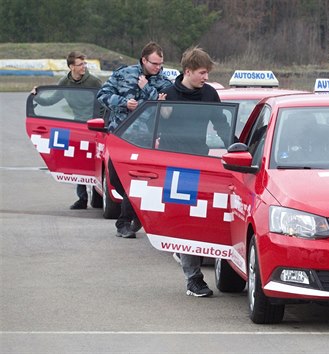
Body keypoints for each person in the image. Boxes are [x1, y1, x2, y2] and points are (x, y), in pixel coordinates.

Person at [160, 46, 226, 297]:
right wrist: (160, 110)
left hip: (201, 162)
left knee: (201, 220)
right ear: (188, 71)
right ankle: (194, 279)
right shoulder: (167, 95)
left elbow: (222, 126)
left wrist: (238, 148)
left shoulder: (210, 95)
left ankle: (190, 260)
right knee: (187, 222)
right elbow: (152, 125)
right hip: (175, 166)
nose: (206, 77)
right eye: (202, 72)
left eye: (207, 73)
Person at [97, 41, 172, 238]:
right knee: (116, 179)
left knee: (136, 181)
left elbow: (164, 109)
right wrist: (123, 103)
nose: (158, 67)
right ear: (144, 59)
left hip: (146, 139)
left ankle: (124, 223)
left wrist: (147, 89)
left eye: (160, 63)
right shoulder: (124, 74)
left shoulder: (163, 82)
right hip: (120, 136)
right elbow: (102, 95)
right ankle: (137, 210)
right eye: (154, 63)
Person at [31, 51, 102, 210]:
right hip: (77, 125)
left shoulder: (94, 82)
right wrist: (37, 96)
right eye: (80, 64)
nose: (84, 67)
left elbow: (106, 101)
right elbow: (51, 100)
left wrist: (101, 122)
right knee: (78, 160)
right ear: (71, 67)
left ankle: (98, 196)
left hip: (95, 125)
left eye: (85, 64)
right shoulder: (64, 82)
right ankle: (82, 198)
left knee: (95, 160)